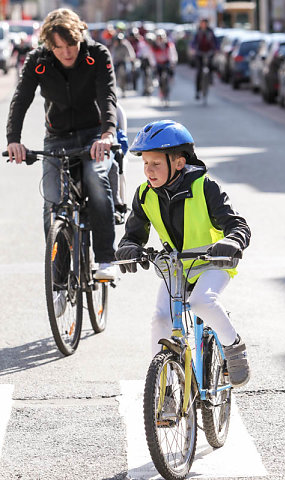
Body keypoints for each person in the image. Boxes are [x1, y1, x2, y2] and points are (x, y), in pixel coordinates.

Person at [115, 120, 251, 388]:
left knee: (202, 301)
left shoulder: (205, 187)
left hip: (213, 261)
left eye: (156, 163)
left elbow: (238, 226)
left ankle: (233, 346)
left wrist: (233, 241)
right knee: (160, 318)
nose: (148, 171)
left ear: (178, 162)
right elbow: (134, 234)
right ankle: (163, 389)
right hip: (176, 267)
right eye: (145, 164)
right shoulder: (144, 194)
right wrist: (128, 247)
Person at [6, 8, 117, 285]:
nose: (67, 53)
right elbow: (21, 100)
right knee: (53, 203)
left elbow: (107, 95)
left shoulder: (97, 54)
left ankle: (105, 259)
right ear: (48, 45)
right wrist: (13, 140)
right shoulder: (37, 61)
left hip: (94, 135)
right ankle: (59, 277)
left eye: (72, 45)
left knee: (95, 179)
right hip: (57, 138)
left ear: (80, 38)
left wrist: (107, 133)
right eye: (59, 47)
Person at [191, 18, 217, 99]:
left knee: (211, 65)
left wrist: (216, 49)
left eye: (205, 23)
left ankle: (210, 79)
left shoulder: (210, 32)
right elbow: (193, 42)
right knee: (199, 72)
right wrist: (193, 49)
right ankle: (198, 91)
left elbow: (216, 42)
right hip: (199, 53)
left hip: (209, 52)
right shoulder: (198, 32)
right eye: (202, 23)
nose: (203, 25)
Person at [152, 29, 178, 93]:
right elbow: (152, 55)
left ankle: (171, 80)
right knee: (157, 73)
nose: (160, 39)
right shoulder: (154, 46)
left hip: (167, 62)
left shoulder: (169, 44)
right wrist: (153, 63)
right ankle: (158, 84)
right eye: (159, 37)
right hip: (158, 62)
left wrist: (173, 61)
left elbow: (172, 53)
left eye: (161, 37)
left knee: (171, 69)